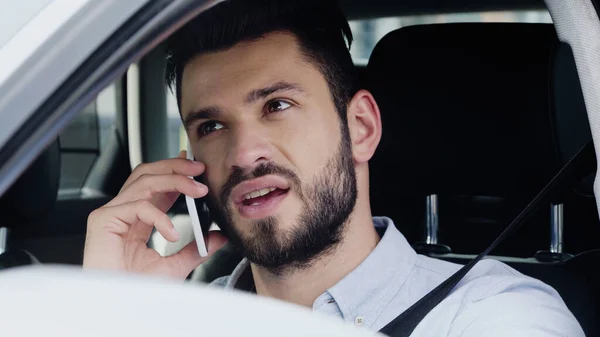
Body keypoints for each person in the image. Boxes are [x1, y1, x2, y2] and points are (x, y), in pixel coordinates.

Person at [83, 0, 584, 335]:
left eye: (276, 105)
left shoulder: (494, 317)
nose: (241, 154)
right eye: (211, 126)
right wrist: (104, 315)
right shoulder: (179, 321)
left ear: (361, 128)